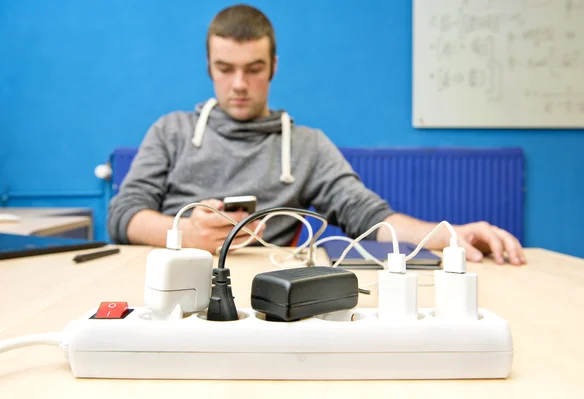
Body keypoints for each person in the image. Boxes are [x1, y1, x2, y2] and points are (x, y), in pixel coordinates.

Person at [107, 4, 526, 266]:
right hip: (169, 274)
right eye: (225, 68)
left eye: (253, 69)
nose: (238, 84)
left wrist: (449, 235)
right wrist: (186, 235)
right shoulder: (171, 130)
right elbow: (122, 215)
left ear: (273, 67)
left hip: (262, 284)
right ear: (209, 67)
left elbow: (368, 217)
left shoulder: (307, 145)